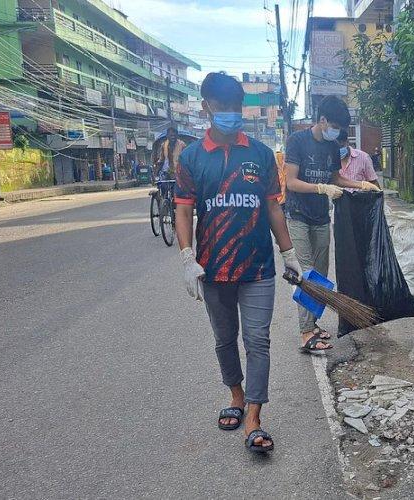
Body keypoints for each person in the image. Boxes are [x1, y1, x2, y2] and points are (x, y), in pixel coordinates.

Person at [174, 72, 302, 454]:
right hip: (214, 269)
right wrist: (186, 258)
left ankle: (254, 418)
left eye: (235, 107)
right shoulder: (192, 158)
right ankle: (236, 395)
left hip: (257, 266)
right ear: (206, 108)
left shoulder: (260, 155)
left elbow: (273, 208)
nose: (230, 114)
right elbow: (183, 212)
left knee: (258, 339)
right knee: (224, 339)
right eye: (222, 107)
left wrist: (289, 253)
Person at [284, 95, 381, 353]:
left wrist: (360, 184)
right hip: (298, 216)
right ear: (323, 120)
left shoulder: (330, 148)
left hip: (320, 218)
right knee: (307, 274)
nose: (337, 133)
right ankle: (305, 332)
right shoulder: (297, 141)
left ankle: (312, 324)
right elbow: (290, 182)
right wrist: (320, 188)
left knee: (322, 274)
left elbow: (336, 179)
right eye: (335, 126)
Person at [154, 126, 186, 197]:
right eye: (171, 135)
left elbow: (186, 159)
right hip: (167, 171)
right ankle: (163, 202)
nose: (173, 137)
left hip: (179, 172)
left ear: (177, 136)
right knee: (162, 186)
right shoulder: (164, 145)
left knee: (177, 190)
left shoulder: (182, 145)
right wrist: (156, 172)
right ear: (167, 136)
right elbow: (161, 159)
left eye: (174, 135)